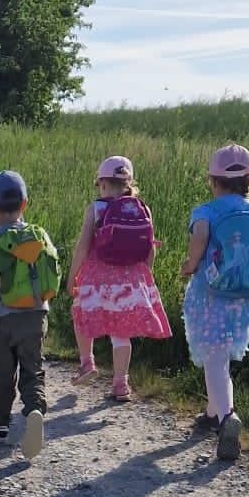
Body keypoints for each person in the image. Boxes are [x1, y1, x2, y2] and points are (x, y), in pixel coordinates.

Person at [179, 144, 249, 462]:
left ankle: (227, 416)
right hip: (242, 296)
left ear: (213, 181)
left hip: (210, 293)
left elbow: (199, 238)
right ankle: (213, 414)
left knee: (213, 356)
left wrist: (190, 263)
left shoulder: (206, 212)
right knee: (221, 354)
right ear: (248, 181)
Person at [66, 156, 173, 401]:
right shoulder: (142, 208)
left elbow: (82, 247)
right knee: (121, 331)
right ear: (128, 183)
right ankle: (120, 384)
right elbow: (150, 248)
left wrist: (73, 276)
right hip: (130, 276)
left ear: (102, 183)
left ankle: (87, 363)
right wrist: (145, 274)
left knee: (82, 313)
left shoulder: (95, 209)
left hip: (97, 274)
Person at [0, 171, 57, 461]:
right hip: (35, 316)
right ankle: (34, 410)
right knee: (33, 369)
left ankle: (0, 425)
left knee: (3, 373)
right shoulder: (39, 235)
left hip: (1, 319)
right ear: (25, 204)